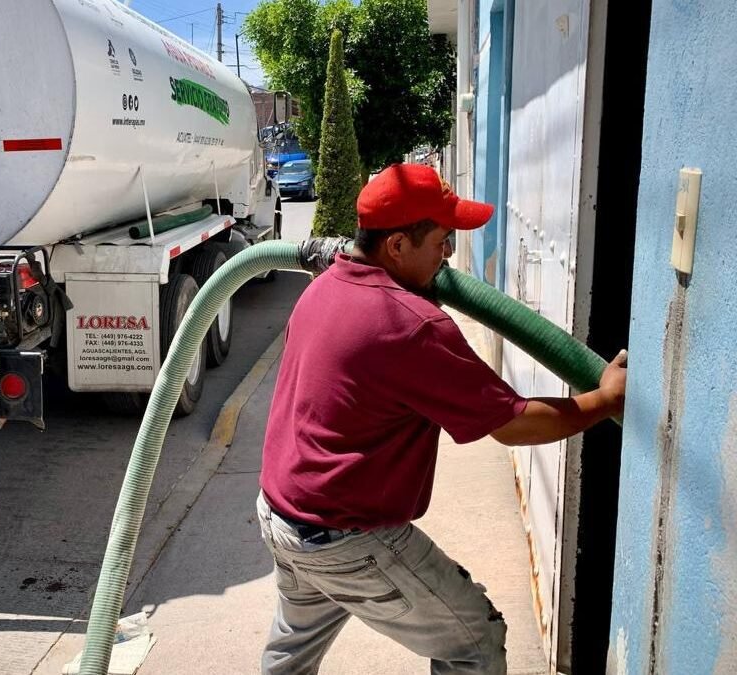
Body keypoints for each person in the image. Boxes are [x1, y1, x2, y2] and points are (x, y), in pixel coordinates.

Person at [256, 163, 627, 674]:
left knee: (289, 656)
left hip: (282, 517)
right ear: (397, 246)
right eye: (441, 241)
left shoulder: (322, 288)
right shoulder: (412, 325)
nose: (449, 254)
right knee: (475, 640)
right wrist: (604, 400)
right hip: (345, 537)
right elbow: (514, 423)